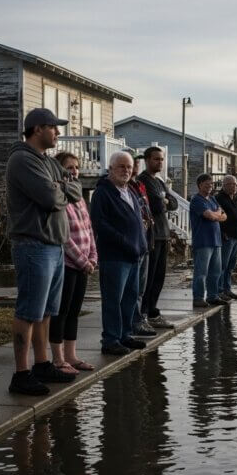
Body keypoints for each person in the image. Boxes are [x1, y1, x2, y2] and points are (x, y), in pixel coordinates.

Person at [6, 108, 83, 395]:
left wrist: (61, 185)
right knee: (29, 311)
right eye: (54, 127)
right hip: (33, 244)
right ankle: (21, 372)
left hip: (54, 244)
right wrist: (60, 189)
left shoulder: (48, 162)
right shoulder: (22, 159)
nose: (58, 133)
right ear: (37, 129)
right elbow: (51, 198)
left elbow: (76, 189)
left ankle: (42, 364)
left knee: (48, 310)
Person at [89, 151, 148, 355]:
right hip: (115, 256)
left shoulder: (129, 191)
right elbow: (100, 224)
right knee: (113, 299)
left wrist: (141, 245)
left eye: (129, 167)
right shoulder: (102, 193)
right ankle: (111, 339)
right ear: (111, 168)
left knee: (130, 298)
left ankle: (124, 335)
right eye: (121, 166)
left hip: (135, 255)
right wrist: (124, 242)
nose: (126, 170)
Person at [48, 152, 98, 374]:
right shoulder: (59, 197)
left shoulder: (79, 197)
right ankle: (58, 359)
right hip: (68, 263)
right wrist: (81, 260)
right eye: (69, 167)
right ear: (59, 170)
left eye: (76, 167)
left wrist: (93, 257)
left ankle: (72, 355)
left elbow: (89, 229)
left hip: (84, 263)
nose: (74, 171)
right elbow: (64, 236)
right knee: (62, 311)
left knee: (75, 311)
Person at [137, 147, 178, 327]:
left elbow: (174, 203)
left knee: (160, 277)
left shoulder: (160, 182)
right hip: (151, 236)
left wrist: (166, 200)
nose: (159, 162)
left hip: (163, 234)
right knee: (149, 278)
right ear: (147, 160)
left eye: (161, 159)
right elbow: (156, 205)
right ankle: (143, 314)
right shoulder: (143, 180)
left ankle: (153, 312)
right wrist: (164, 201)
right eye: (156, 159)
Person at [128, 162, 158, 338]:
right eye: (127, 165)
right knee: (131, 289)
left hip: (145, 241)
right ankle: (130, 324)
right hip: (131, 245)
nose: (133, 167)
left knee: (141, 288)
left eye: (134, 164)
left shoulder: (139, 185)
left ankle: (138, 320)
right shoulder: (120, 188)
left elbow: (152, 208)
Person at [189, 173, 228, 308]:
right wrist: (216, 214)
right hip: (203, 242)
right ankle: (198, 298)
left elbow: (225, 216)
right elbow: (210, 215)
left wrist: (216, 215)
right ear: (200, 185)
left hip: (216, 241)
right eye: (207, 184)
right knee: (201, 272)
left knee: (215, 272)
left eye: (211, 184)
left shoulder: (212, 199)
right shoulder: (197, 200)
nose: (210, 186)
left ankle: (212, 296)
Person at [215, 174, 237, 300]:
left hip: (236, 238)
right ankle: (219, 290)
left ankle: (227, 289)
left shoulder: (234, 199)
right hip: (226, 238)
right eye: (229, 184)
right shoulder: (219, 199)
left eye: (235, 184)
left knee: (230, 267)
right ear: (223, 185)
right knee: (222, 266)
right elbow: (217, 218)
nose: (233, 186)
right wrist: (224, 233)